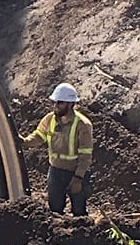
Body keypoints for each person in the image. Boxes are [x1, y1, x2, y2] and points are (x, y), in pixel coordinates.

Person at [24, 84, 94, 216]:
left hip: (75, 173)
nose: (55, 105)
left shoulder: (83, 125)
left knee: (79, 212)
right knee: (55, 211)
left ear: (70, 104)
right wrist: (24, 142)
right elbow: (39, 136)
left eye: (60, 103)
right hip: (55, 171)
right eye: (55, 102)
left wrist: (78, 178)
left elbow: (85, 155)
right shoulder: (50, 119)